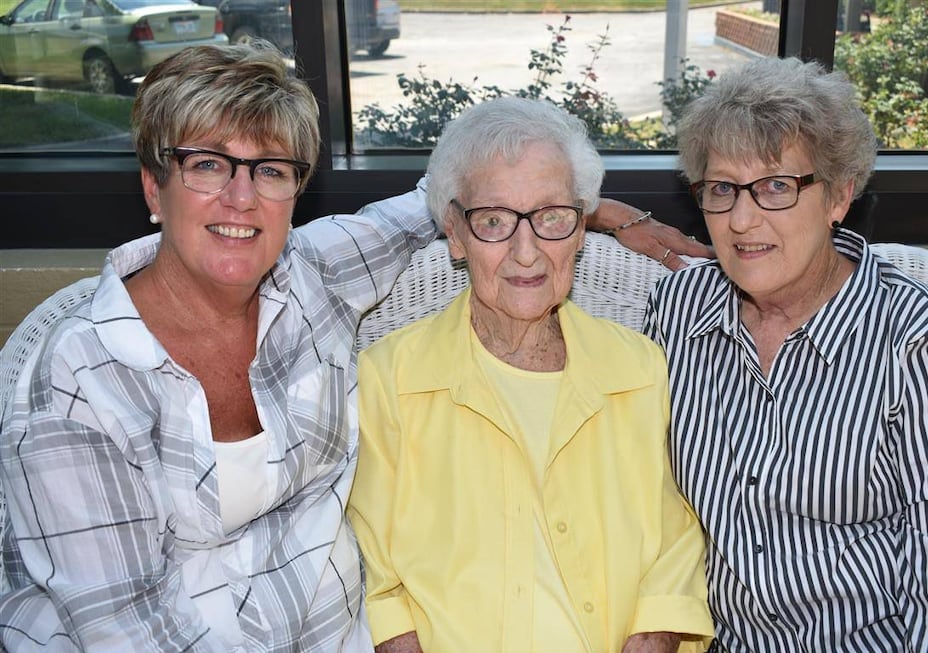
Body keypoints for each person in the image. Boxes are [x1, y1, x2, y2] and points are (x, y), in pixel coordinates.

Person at [0, 42, 706, 651]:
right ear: (155, 186)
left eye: (271, 170)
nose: (242, 199)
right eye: (210, 165)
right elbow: (125, 630)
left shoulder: (314, 275)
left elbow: (464, 187)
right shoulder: (77, 381)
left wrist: (594, 208)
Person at [347, 97, 715, 653]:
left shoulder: (640, 368)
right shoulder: (388, 379)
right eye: (494, 221)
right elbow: (371, 572)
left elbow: (678, 538)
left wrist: (656, 631)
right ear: (455, 232)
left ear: (580, 228)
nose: (527, 253)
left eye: (551, 219)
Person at [641, 57, 928, 651]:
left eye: (777, 186)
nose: (743, 220)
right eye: (722, 189)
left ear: (839, 196)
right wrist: (611, 215)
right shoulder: (676, 310)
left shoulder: (924, 343)